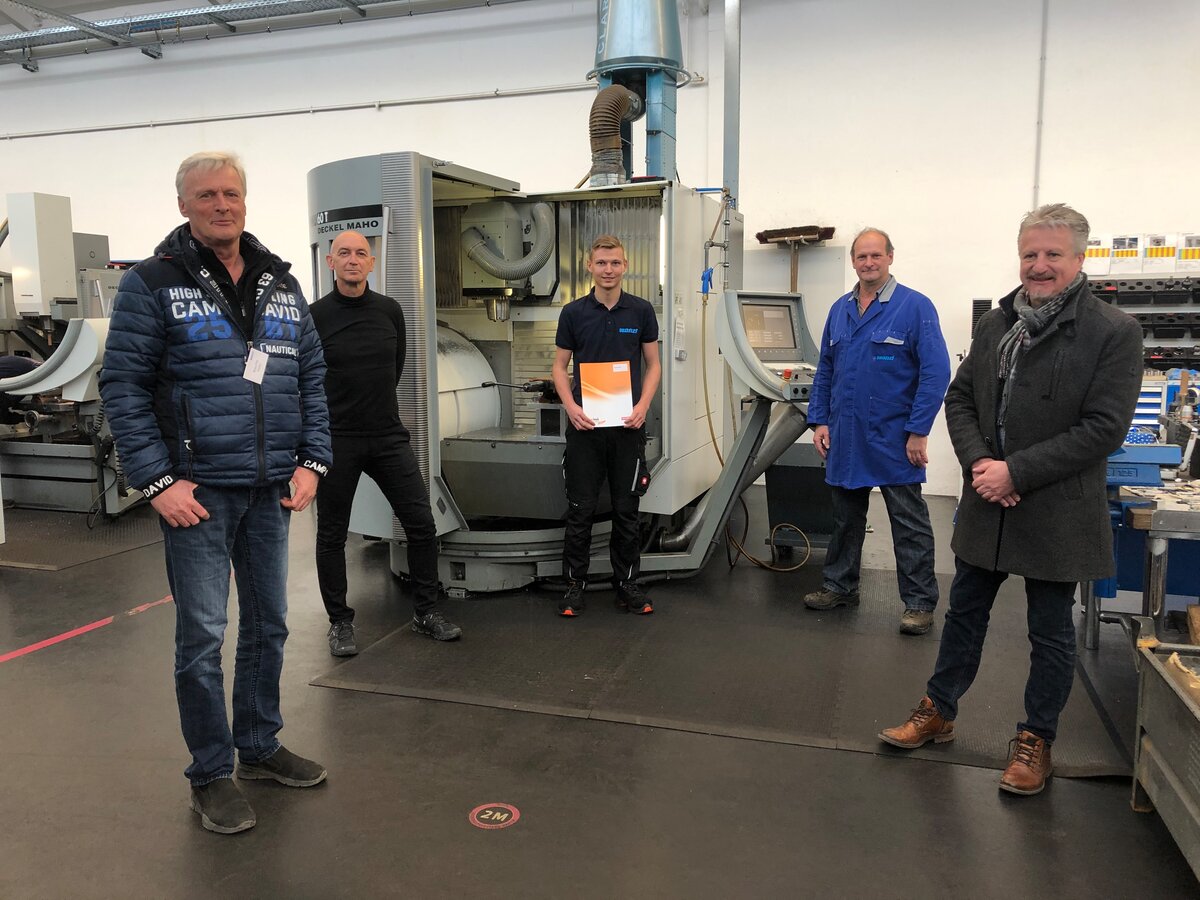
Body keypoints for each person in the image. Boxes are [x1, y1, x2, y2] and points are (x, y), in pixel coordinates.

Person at [99, 151, 332, 834]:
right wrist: (158, 481)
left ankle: (258, 745)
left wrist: (313, 460)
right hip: (197, 494)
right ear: (184, 206)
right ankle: (209, 773)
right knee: (203, 635)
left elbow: (311, 376)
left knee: (270, 625)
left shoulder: (279, 282)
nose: (221, 205)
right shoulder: (152, 282)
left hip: (270, 488)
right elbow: (122, 387)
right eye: (206, 195)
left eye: (231, 193)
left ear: (245, 200)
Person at [878, 203, 1143, 796]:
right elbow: (960, 399)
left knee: (1050, 631)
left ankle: (1035, 741)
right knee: (964, 614)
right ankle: (939, 710)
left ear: (1080, 259)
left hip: (1055, 506)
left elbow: (1104, 429)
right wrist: (980, 464)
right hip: (988, 501)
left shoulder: (1113, 331)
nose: (1039, 265)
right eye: (1030, 254)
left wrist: (1015, 472)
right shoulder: (997, 324)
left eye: (1053, 254)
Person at [310, 230, 461, 656]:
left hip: (387, 436)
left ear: (371, 263)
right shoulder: (315, 316)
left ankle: (425, 612)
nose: (353, 259)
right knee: (332, 534)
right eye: (344, 253)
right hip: (336, 439)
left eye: (361, 253)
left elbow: (394, 368)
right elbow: (306, 379)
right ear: (330, 262)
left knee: (421, 524)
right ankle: (340, 622)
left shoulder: (390, 311)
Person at [804, 228, 951, 635]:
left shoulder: (915, 307)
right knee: (845, 519)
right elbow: (826, 369)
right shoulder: (840, 309)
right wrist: (819, 420)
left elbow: (936, 372)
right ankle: (839, 586)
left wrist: (918, 430)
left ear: (890, 257)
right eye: (861, 256)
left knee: (908, 522)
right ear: (853, 261)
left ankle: (919, 603)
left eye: (875, 255)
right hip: (846, 436)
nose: (868, 263)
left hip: (894, 437)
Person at [552, 234, 660, 617]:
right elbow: (559, 368)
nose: (608, 269)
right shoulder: (573, 314)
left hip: (627, 429)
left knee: (626, 511)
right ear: (590, 266)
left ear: (625, 266)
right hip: (585, 429)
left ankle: (627, 585)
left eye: (615, 263)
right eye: (601, 263)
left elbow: (654, 365)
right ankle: (573, 586)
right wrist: (571, 408)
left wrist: (643, 406)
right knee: (580, 510)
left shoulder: (641, 311)